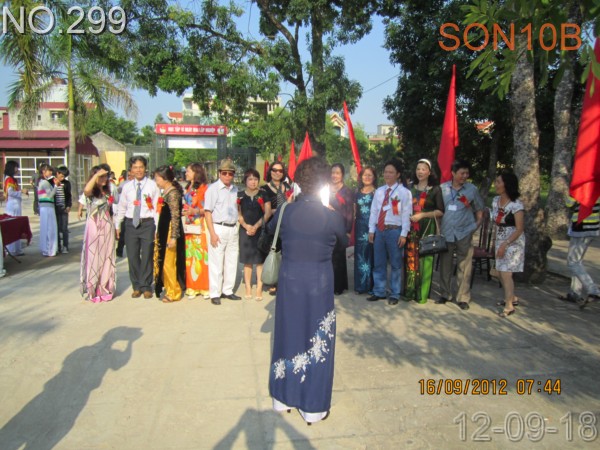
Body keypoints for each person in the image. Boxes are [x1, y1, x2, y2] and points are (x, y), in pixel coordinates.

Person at [268, 157, 347, 424]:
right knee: (317, 339)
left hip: (290, 281)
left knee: (288, 334)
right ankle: (312, 407)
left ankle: (282, 398)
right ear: (325, 182)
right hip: (319, 284)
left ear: (299, 181)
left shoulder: (285, 211)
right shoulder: (332, 216)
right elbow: (342, 243)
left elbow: (270, 233)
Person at [437, 160, 485, 310]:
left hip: (464, 232)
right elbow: (439, 210)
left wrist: (475, 225)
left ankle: (463, 297)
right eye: (461, 173)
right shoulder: (443, 188)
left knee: (464, 265)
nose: (464, 176)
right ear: (453, 173)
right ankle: (445, 293)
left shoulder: (472, 189)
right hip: (447, 232)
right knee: (445, 265)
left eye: (466, 173)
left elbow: (479, 209)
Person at [367, 160, 412, 305]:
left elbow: (406, 214)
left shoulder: (404, 192)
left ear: (398, 174)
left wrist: (404, 234)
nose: (387, 174)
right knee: (378, 262)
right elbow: (374, 211)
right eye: (386, 171)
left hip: (394, 231)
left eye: (391, 172)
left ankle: (395, 293)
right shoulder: (379, 191)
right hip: (379, 230)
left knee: (395, 264)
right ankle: (379, 291)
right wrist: (371, 230)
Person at [114, 156, 160, 299]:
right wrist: (118, 225)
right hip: (130, 224)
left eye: (141, 167)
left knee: (147, 255)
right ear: (131, 170)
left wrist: (157, 227)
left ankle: (146, 286)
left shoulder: (153, 186)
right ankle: (136, 286)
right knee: (132, 256)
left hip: (147, 223)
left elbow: (157, 208)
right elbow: (122, 207)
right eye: (135, 167)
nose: (138, 170)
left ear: (145, 168)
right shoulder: (126, 187)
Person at [405, 159, 444, 303]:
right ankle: (410, 291)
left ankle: (422, 294)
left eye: (423, 169)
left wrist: (422, 215)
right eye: (418, 169)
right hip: (411, 226)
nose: (420, 172)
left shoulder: (435, 189)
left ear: (429, 172)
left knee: (425, 258)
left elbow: (440, 211)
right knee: (411, 257)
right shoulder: (410, 188)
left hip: (427, 226)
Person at [204, 159, 241, 305]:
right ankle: (215, 292)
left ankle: (228, 290)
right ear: (219, 173)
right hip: (218, 227)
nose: (227, 176)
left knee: (232, 261)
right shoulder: (213, 189)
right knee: (216, 262)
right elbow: (208, 212)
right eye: (224, 173)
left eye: (230, 173)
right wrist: (212, 233)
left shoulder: (235, 190)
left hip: (232, 227)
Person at [491, 171, 525, 317]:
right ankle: (512, 297)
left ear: (507, 185)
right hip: (500, 238)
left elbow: (519, 228)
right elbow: (495, 223)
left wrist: (505, 244)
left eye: (499, 182)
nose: (496, 184)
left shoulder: (516, 204)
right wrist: (494, 241)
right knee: (499, 271)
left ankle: (509, 305)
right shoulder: (495, 201)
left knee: (506, 272)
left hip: (513, 241)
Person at [80, 166, 116, 302]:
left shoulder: (108, 190)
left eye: (105, 176)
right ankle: (93, 289)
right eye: (101, 176)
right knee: (93, 257)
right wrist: (96, 176)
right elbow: (86, 191)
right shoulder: (91, 191)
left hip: (107, 225)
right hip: (94, 226)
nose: (104, 179)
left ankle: (105, 287)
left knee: (107, 257)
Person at [153, 166, 186, 302]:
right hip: (164, 230)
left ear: (165, 178)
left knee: (169, 262)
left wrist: (173, 237)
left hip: (170, 231)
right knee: (164, 261)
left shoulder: (172, 194)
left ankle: (174, 291)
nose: (156, 181)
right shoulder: (166, 191)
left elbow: (175, 216)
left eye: (157, 178)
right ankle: (168, 287)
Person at [238, 168, 272, 301]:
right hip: (245, 230)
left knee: (259, 261)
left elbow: (267, 213)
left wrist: (256, 226)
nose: (253, 182)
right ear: (245, 181)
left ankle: (259, 287)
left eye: (256, 179)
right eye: (250, 179)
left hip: (260, 230)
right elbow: (238, 213)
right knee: (247, 261)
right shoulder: (240, 195)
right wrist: (246, 226)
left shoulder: (263, 194)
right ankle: (248, 287)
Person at [262, 161, 293, 296]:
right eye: (274, 170)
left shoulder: (288, 187)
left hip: (287, 225)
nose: (277, 173)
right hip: (273, 224)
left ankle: (283, 280)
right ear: (270, 171)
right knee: (273, 252)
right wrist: (281, 209)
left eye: (280, 170)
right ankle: (272, 281)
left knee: (286, 253)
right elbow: (265, 210)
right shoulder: (264, 189)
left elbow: (293, 203)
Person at [565, 195, 600, 308]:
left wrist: (572, 193)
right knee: (577, 262)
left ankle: (593, 291)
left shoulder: (581, 189)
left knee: (572, 262)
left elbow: (569, 203)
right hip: (593, 227)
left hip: (581, 228)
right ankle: (575, 293)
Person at [182, 163, 210, 299]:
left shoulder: (205, 188)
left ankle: (204, 287)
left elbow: (209, 208)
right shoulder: (188, 187)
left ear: (196, 173)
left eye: (188, 171)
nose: (186, 173)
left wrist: (196, 211)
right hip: (189, 225)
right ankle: (192, 287)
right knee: (190, 256)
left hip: (201, 224)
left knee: (202, 256)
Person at [328, 163, 354, 295]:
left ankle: (339, 286)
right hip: (326, 227)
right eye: (333, 173)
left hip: (340, 227)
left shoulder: (346, 191)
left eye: (337, 173)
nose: (334, 175)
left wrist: (348, 230)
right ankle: (328, 284)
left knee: (338, 256)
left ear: (342, 175)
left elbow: (349, 212)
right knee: (328, 256)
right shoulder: (326, 189)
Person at [354, 167, 377, 294]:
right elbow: (354, 211)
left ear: (374, 177)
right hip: (359, 227)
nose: (367, 177)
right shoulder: (357, 192)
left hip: (372, 227)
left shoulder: (377, 192)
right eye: (364, 175)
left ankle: (370, 285)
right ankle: (360, 285)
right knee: (360, 255)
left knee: (370, 255)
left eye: (370, 175)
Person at [3, 161, 28, 256]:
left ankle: (17, 249)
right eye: (16, 167)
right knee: (13, 226)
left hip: (16, 205)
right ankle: (12, 249)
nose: (17, 169)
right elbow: (10, 193)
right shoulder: (9, 179)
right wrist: (21, 191)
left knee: (17, 226)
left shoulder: (12, 179)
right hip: (12, 205)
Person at [38, 164, 59, 257]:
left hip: (45, 207)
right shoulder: (45, 183)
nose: (51, 172)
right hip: (47, 207)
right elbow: (50, 195)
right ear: (44, 171)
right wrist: (56, 186)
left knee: (46, 228)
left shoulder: (42, 182)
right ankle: (50, 249)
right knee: (50, 229)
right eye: (49, 171)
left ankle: (47, 249)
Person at [54, 166, 72, 254]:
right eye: (61, 176)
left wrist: (68, 205)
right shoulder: (52, 182)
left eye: (64, 176)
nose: (63, 178)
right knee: (56, 228)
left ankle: (65, 246)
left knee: (64, 228)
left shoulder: (67, 183)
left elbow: (68, 195)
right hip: (55, 208)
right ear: (57, 173)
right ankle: (58, 246)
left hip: (64, 208)